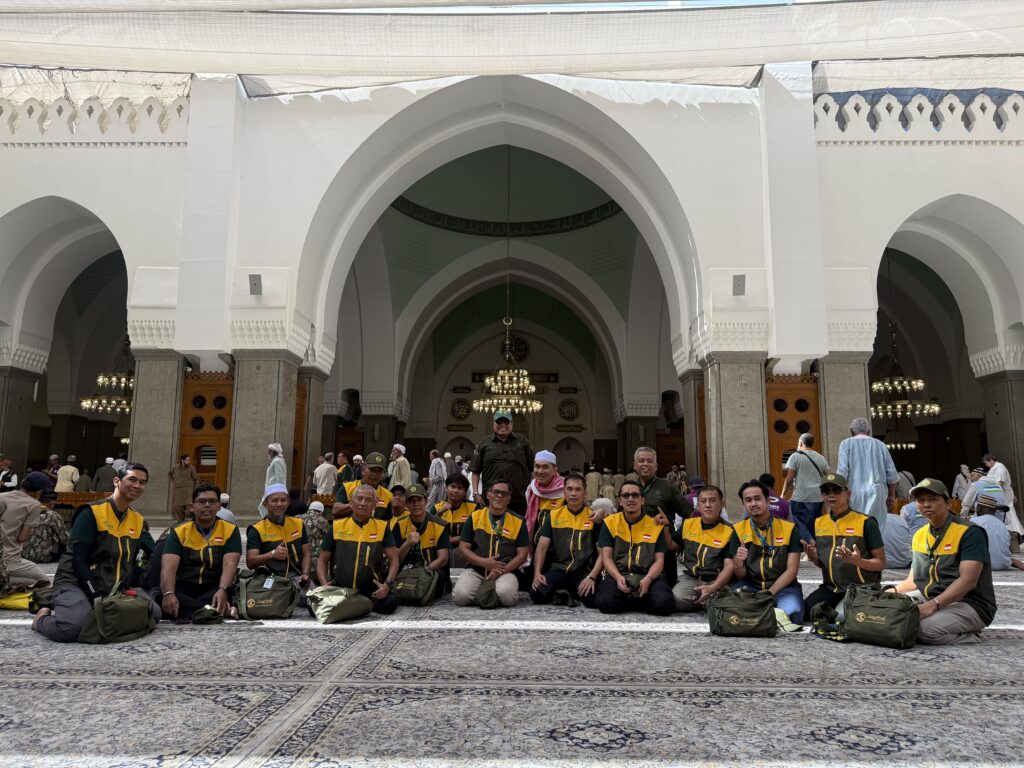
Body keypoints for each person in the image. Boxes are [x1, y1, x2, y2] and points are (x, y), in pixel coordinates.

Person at [34, 463, 159, 642]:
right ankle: (41, 618)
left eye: (142, 482)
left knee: (154, 613)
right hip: (76, 581)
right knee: (71, 629)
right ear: (116, 481)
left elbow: (138, 560)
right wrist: (97, 597)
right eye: (132, 479)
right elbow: (78, 561)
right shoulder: (91, 512)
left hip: (112, 586)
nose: (137, 486)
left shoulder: (137, 520)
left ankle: (86, 611)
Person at [895, 479, 996, 645]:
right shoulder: (920, 535)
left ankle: (970, 635)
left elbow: (968, 581)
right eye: (921, 500)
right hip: (931, 596)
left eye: (933, 499)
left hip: (970, 603)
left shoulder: (969, 533)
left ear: (948, 503)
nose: (926, 505)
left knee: (922, 630)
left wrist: (932, 605)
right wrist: (890, 592)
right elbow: (913, 581)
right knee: (892, 613)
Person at [801, 472, 886, 621]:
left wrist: (857, 561)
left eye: (836, 490)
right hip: (831, 588)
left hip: (860, 588)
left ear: (848, 493)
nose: (831, 495)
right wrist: (814, 558)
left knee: (841, 618)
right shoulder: (820, 522)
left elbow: (881, 563)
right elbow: (826, 564)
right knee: (806, 613)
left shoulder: (866, 522)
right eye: (825, 491)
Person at [155, 484, 241, 621]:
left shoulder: (230, 530)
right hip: (183, 588)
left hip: (214, 588)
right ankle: (214, 610)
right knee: (160, 596)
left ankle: (199, 610)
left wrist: (223, 589)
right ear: (192, 507)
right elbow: (169, 567)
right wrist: (169, 593)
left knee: (233, 593)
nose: (207, 505)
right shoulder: (179, 531)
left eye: (212, 501)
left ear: (219, 506)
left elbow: (230, 564)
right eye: (201, 501)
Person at [594, 480, 674, 615]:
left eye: (635, 495)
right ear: (620, 501)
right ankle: (638, 600)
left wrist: (648, 578)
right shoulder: (610, 523)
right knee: (605, 603)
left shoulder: (655, 525)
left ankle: (631, 599)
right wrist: (617, 577)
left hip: (647, 576)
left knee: (664, 604)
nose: (630, 499)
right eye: (625, 495)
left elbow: (659, 560)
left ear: (642, 500)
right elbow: (607, 558)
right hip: (619, 575)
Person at [317, 483, 400, 614]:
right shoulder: (337, 526)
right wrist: (324, 585)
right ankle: (359, 606)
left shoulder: (382, 527)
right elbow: (322, 560)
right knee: (314, 607)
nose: (363, 503)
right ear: (351, 502)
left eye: (368, 500)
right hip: (340, 586)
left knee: (389, 603)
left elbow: (394, 560)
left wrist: (387, 585)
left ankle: (352, 606)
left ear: (374, 504)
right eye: (359, 499)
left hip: (369, 587)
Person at [731, 479, 803, 624]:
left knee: (792, 615)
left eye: (757, 499)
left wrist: (769, 593)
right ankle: (764, 614)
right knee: (730, 610)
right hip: (751, 587)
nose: (753, 503)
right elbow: (741, 575)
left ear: (768, 500)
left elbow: (791, 571)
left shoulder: (789, 529)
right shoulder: (738, 530)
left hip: (784, 587)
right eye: (748, 500)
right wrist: (738, 562)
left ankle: (758, 614)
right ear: (744, 504)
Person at [530, 472, 602, 607]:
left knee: (591, 598)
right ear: (564, 492)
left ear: (585, 494)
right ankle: (567, 591)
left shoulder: (593, 517)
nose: (573, 493)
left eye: (578, 489)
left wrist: (591, 577)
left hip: (583, 572)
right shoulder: (553, 515)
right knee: (537, 593)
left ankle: (564, 592)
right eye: (569, 489)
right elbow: (541, 548)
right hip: (558, 569)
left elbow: (603, 554)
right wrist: (537, 573)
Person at [454, 480, 529, 608]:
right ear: (488, 495)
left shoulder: (518, 521)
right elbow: (463, 548)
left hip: (505, 571)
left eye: (504, 494)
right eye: (495, 492)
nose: (499, 496)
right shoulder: (475, 516)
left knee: (507, 597)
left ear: (508, 499)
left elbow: (523, 554)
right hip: (476, 569)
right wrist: (483, 562)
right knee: (461, 597)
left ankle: (487, 592)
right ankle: (486, 592)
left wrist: (501, 570)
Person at [670, 483, 738, 612]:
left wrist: (713, 587)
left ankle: (708, 598)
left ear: (722, 505)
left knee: (722, 606)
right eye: (703, 501)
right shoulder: (689, 524)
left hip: (716, 580)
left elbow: (729, 566)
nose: (708, 505)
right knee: (676, 599)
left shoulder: (730, 531)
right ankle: (705, 600)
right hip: (691, 578)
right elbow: (671, 545)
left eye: (712, 501)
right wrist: (663, 526)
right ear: (698, 506)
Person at [634, 446, 692, 588]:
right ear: (635, 465)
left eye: (650, 461)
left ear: (656, 466)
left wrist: (678, 539)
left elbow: (689, 514)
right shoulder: (630, 488)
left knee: (667, 589)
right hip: (638, 546)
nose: (645, 464)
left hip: (663, 545)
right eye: (641, 461)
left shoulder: (667, 487)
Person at [246, 483, 311, 595]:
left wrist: (305, 573)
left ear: (289, 502)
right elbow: (250, 562)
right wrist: (272, 554)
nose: (279, 504)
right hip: (269, 579)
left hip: (297, 577)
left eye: (283, 500)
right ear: (265, 503)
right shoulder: (256, 529)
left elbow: (306, 553)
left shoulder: (298, 524)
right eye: (274, 500)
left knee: (314, 598)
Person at [836, 417, 898, 534]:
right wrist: (891, 495)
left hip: (853, 493)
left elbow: (842, 472)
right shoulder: (880, 445)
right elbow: (891, 473)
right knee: (877, 528)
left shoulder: (846, 444)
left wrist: (840, 495)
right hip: (877, 492)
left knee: (855, 528)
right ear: (868, 431)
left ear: (851, 431)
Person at [391, 483, 449, 602]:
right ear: (406, 504)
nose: (416, 504)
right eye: (411, 501)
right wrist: (407, 543)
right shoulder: (399, 525)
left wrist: (423, 572)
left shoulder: (439, 525)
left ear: (426, 501)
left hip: (430, 571)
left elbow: (443, 559)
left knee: (438, 579)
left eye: (419, 500)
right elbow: (395, 559)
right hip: (406, 571)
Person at [470, 410, 533, 514]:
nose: (503, 425)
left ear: (512, 424)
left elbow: (533, 469)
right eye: (499, 422)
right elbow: (475, 471)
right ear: (493, 424)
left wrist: (534, 493)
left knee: (518, 523)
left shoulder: (522, 441)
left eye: (506, 422)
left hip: (517, 498)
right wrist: (475, 493)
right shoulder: (484, 442)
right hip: (491, 498)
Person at [0, 471, 51, 587]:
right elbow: (22, 538)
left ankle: (3, 578)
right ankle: (3, 580)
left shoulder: (2, 496)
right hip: (9, 559)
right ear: (39, 491)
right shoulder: (34, 505)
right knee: (44, 582)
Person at [781, 433, 829, 543]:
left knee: (795, 519)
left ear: (801, 443)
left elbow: (789, 478)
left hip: (800, 497)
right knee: (813, 524)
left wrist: (783, 494)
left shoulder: (795, 456)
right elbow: (829, 476)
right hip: (817, 497)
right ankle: (812, 546)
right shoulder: (820, 457)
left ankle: (809, 540)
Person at [333, 451, 392, 519]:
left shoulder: (388, 495)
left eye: (379, 471)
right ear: (363, 470)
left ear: (383, 474)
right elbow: (336, 511)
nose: (375, 474)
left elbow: (388, 521)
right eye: (372, 470)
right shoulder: (347, 487)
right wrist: (357, 504)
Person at [526, 450, 565, 547]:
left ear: (555, 469)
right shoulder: (531, 489)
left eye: (545, 467)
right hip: (535, 546)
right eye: (537, 466)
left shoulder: (566, 489)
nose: (540, 471)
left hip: (559, 547)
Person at [983, 453, 1023, 541]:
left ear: (991, 460)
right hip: (1002, 494)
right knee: (1006, 514)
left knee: (1008, 514)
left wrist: (991, 495)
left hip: (1002, 494)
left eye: (986, 463)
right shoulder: (994, 468)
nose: (986, 465)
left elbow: (1000, 483)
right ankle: (1012, 535)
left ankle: (1017, 535)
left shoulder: (999, 468)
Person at [22, 490, 68, 564]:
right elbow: (64, 538)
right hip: (43, 556)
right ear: (51, 503)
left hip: (24, 555)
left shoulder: (26, 512)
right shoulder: (52, 514)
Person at [970, 492, 1012, 571]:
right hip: (1004, 565)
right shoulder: (1003, 525)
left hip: (983, 565)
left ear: (980, 508)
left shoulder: (973, 521)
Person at [302, 500, 331, 579]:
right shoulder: (322, 520)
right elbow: (328, 537)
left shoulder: (298, 517)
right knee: (316, 577)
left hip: (301, 553)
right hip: (315, 554)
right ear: (321, 511)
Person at [260, 443, 287, 518]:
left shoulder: (277, 461)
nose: (268, 453)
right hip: (271, 489)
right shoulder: (276, 461)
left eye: (269, 451)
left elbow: (279, 478)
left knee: (267, 508)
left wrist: (277, 492)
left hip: (274, 490)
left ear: (273, 452)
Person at [169, 454, 198, 522]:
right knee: (178, 506)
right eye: (187, 460)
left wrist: (195, 489)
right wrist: (174, 480)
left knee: (189, 505)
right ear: (182, 460)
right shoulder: (175, 468)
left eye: (189, 460)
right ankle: (180, 522)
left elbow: (195, 479)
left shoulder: (192, 468)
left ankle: (190, 521)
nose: (189, 461)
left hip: (188, 489)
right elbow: (170, 474)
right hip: (178, 489)